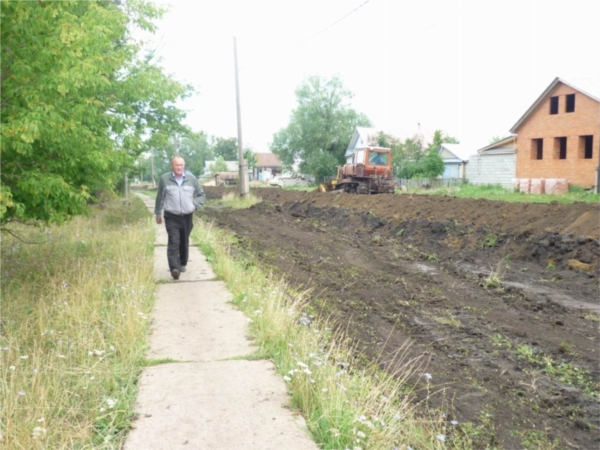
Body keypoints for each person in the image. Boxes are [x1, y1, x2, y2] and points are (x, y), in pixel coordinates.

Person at [155, 156, 206, 280]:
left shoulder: (192, 179)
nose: (179, 167)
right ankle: (174, 268)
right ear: (172, 166)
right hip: (171, 216)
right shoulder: (165, 179)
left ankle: (182, 263)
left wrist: (195, 205)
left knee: (184, 240)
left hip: (187, 216)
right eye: (176, 165)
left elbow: (201, 195)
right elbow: (160, 197)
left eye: (181, 165)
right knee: (174, 240)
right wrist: (158, 213)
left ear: (184, 166)